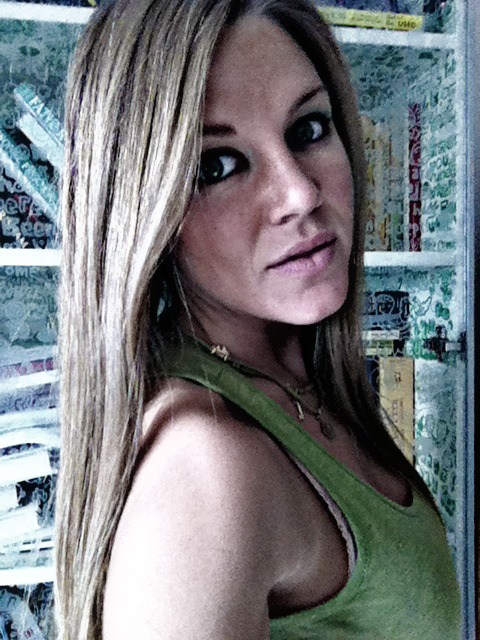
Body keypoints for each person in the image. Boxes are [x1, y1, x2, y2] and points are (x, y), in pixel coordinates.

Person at [54, 0, 461, 638]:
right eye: (217, 166)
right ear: (143, 210)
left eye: (308, 129)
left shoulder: (295, 376)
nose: (300, 193)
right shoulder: (206, 471)